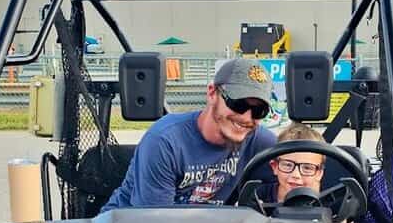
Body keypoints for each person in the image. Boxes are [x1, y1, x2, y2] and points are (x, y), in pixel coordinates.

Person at [102, 57, 276, 209]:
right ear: (212, 93)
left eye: (259, 111)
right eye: (238, 105)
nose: (246, 117)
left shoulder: (259, 141)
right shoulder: (165, 141)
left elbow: (296, 171)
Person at [266, 122, 326, 203]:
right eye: (288, 165)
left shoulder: (330, 202)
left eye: (307, 168)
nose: (296, 175)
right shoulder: (257, 198)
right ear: (275, 166)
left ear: (319, 173)